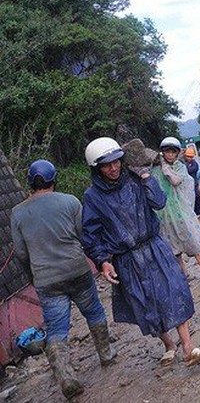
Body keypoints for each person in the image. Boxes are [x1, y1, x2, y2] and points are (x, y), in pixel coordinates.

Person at [80, 137, 200, 367]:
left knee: (174, 291)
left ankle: (189, 348)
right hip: (127, 258)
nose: (113, 168)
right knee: (146, 304)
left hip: (154, 247)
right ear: (96, 169)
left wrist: (146, 177)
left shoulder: (136, 179)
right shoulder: (93, 197)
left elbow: (159, 202)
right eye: (106, 165)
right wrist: (102, 261)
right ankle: (169, 345)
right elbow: (91, 234)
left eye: (116, 162)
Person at [11, 160, 116, 399]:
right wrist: (99, 261)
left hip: (46, 280)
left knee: (57, 328)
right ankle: (107, 354)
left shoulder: (17, 213)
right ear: (54, 179)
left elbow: (20, 252)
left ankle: (66, 377)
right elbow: (84, 235)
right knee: (94, 311)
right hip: (76, 270)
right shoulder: (70, 201)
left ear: (30, 182)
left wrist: (34, 276)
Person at [151, 137, 200, 282]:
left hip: (181, 209)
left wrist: (165, 168)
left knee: (191, 237)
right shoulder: (155, 170)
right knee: (172, 242)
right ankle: (184, 271)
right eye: (167, 152)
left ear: (177, 153)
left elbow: (175, 180)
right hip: (164, 212)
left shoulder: (179, 167)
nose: (169, 155)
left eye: (172, 152)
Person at [183, 148, 200, 216]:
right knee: (190, 198)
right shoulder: (183, 163)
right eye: (188, 156)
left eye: (191, 157)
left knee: (197, 196)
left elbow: (192, 170)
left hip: (194, 183)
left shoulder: (194, 163)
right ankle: (195, 212)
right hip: (186, 185)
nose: (189, 158)